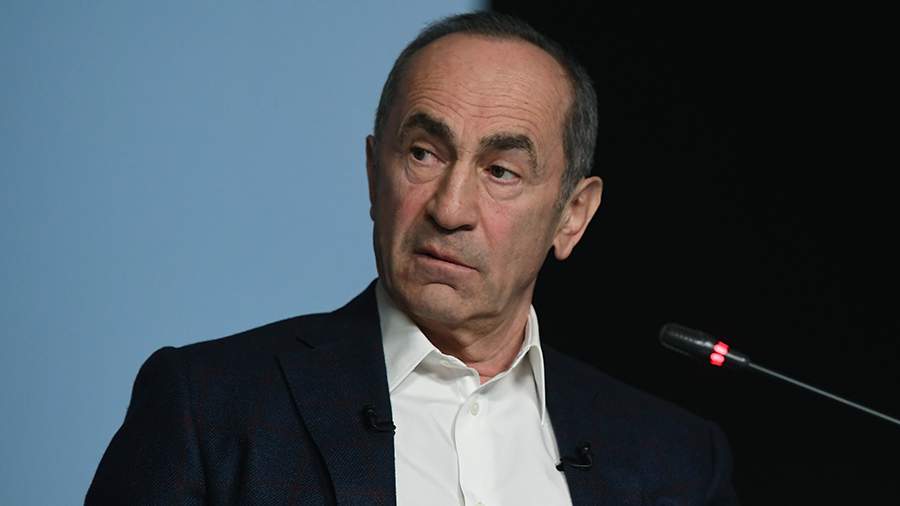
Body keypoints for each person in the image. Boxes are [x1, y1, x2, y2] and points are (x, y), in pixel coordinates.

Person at [87, 12, 739, 505]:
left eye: (502, 171)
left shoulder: (677, 462)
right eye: (423, 154)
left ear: (572, 216)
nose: (450, 209)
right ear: (374, 173)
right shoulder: (210, 408)